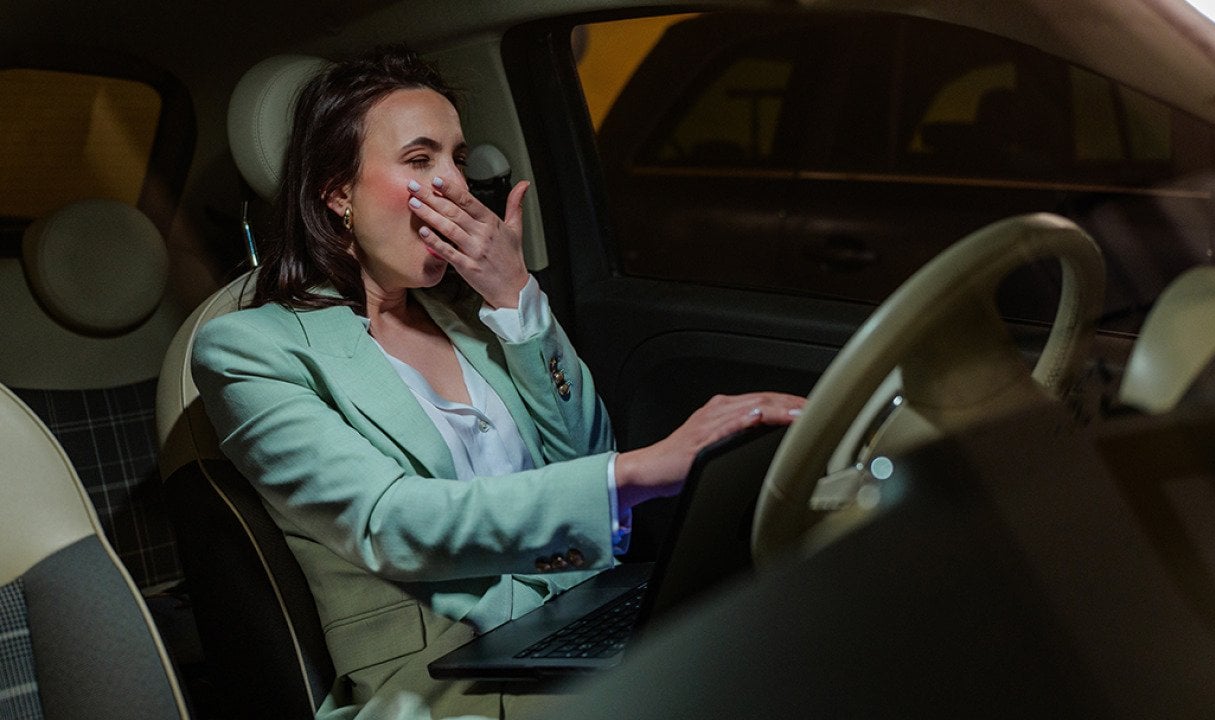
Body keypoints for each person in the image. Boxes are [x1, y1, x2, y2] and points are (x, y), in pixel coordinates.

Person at [192, 45, 805, 720]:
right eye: (420, 160)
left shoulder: (465, 316)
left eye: (457, 159)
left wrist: (514, 296)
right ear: (338, 192)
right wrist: (640, 471)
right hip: (442, 677)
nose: (453, 183)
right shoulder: (247, 348)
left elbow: (583, 455)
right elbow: (389, 521)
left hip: (576, 619)